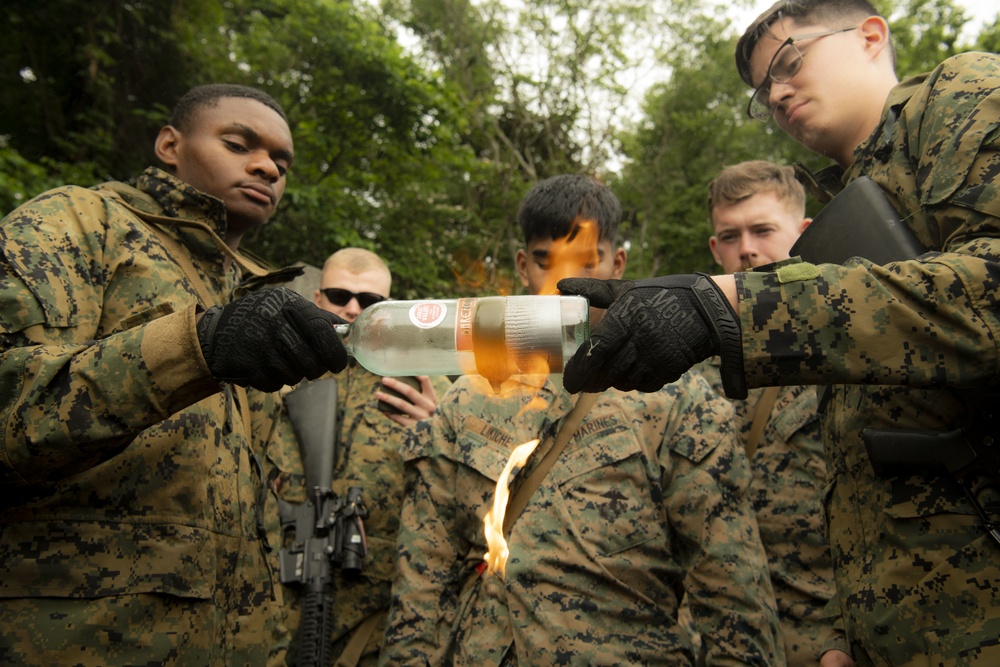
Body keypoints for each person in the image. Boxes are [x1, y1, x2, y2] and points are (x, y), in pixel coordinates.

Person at [556, 2, 1000, 665]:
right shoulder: (851, 212)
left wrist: (732, 306)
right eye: (764, 92)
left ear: (871, 36)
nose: (778, 94)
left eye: (790, 63)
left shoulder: (962, 91)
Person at [0, 83, 349, 665]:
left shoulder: (260, 292)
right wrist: (196, 346)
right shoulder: (81, 224)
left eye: (281, 164)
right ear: (169, 144)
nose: (266, 167)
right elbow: (11, 409)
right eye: (239, 144)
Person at [381, 174, 782, 666]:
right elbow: (422, 578)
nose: (563, 282)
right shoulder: (466, 400)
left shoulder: (677, 401)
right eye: (548, 262)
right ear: (524, 267)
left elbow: (732, 591)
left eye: (585, 261)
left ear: (617, 266)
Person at [268, 247, 450, 666]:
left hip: (377, 614)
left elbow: (462, 498)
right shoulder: (279, 374)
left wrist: (438, 434)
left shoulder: (424, 382)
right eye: (339, 295)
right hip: (275, 597)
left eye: (369, 302)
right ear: (317, 300)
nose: (353, 309)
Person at [701, 159, 843, 666]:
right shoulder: (692, 369)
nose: (747, 249)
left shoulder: (850, 348)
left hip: (820, 646)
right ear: (715, 249)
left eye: (762, 230)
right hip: (721, 644)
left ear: (803, 234)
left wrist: (840, 637)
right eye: (730, 236)